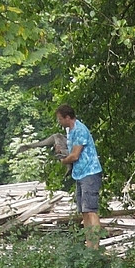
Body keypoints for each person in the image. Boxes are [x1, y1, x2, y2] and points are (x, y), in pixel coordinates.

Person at [55, 103, 103, 247]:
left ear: (67, 117)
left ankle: (95, 248)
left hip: (90, 173)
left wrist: (63, 161)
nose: (59, 122)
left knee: (91, 210)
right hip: (79, 174)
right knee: (84, 211)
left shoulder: (80, 130)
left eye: (60, 119)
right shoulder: (70, 131)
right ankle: (89, 245)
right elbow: (70, 150)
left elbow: (75, 155)